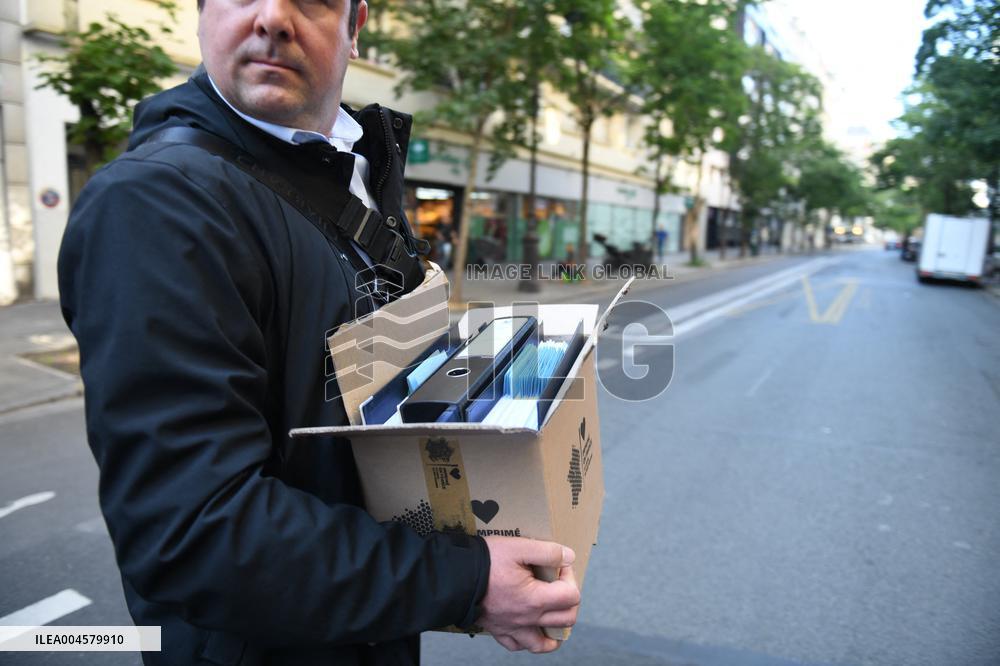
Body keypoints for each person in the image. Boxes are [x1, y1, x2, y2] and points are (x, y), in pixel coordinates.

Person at [57, 1, 580, 664]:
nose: (274, 17)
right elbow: (193, 532)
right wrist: (466, 581)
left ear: (355, 26)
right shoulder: (156, 205)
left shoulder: (349, 168)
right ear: (201, 11)